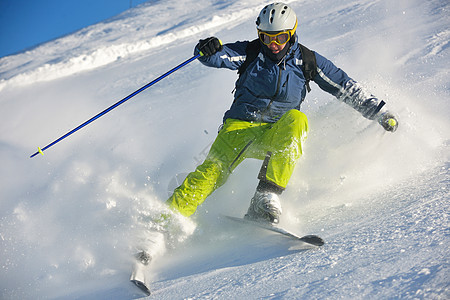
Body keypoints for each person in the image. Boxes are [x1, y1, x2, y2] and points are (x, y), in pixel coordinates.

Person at [165, 2, 398, 225]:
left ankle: (265, 196)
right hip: (238, 129)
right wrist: (206, 49)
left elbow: (343, 86)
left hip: (275, 134)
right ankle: (163, 224)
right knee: (210, 174)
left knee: (297, 120)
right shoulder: (251, 53)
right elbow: (218, 56)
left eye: (281, 37)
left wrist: (379, 112)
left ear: (292, 34)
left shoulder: (307, 61)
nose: (273, 44)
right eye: (266, 37)